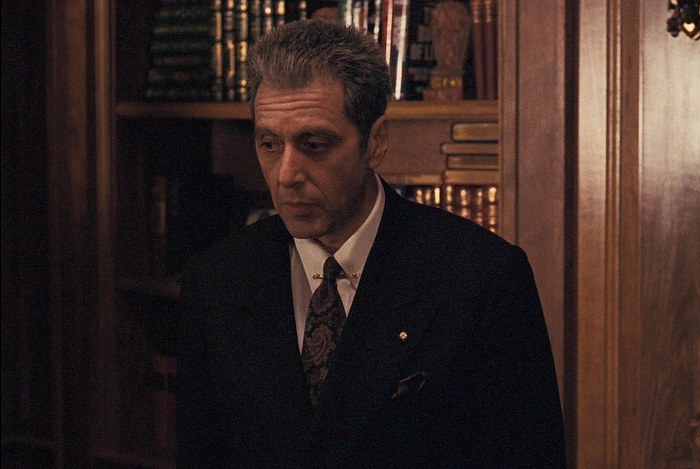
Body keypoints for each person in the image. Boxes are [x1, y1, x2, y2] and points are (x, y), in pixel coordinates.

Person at [176, 19, 567, 468]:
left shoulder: (483, 277)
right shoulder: (217, 279)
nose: (286, 174)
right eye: (269, 144)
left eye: (314, 144)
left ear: (376, 142)